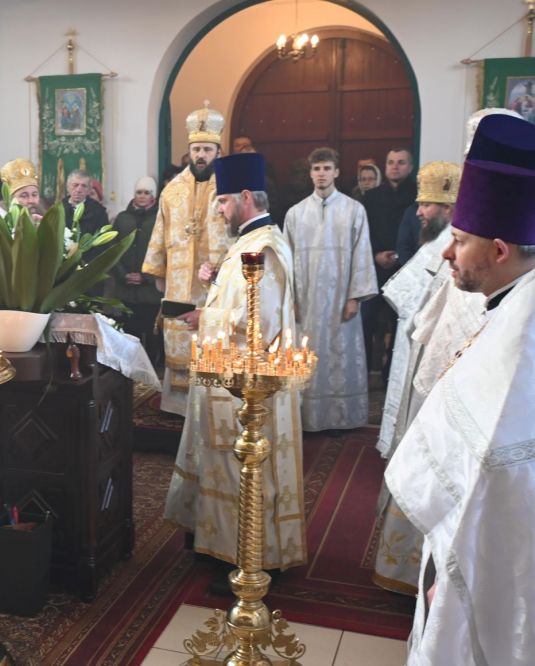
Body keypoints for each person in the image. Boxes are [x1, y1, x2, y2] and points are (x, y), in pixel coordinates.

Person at [385, 113, 535, 665]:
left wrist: (453, 575)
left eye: (459, 240)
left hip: (488, 565)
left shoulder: (523, 335)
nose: (447, 254)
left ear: (498, 251)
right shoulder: (514, 304)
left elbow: (499, 473)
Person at [164, 153, 305, 586]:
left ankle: (247, 562)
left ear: (245, 197)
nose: (220, 211)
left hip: (249, 383)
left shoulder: (264, 248)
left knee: (243, 468)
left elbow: (261, 322)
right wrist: (212, 287)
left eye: (223, 202)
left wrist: (202, 317)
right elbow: (241, 300)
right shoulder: (249, 242)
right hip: (229, 376)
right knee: (223, 464)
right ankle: (220, 545)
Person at [373, 160, 466, 595]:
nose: (420, 212)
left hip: (436, 371)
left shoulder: (452, 248)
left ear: (447, 208)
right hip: (418, 360)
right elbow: (404, 299)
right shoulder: (439, 246)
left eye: (427, 204)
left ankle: (416, 571)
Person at [142, 103, 229, 416]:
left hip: (215, 282)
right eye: (196, 149)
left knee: (212, 338)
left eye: (207, 149)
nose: (201, 155)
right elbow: (160, 229)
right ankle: (178, 407)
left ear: (218, 151)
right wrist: (158, 270)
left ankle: (211, 406)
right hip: (179, 282)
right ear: (189, 152)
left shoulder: (229, 187)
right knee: (179, 335)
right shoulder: (172, 190)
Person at [284, 147, 377, 433]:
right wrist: (291, 299)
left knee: (340, 356)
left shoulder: (354, 210)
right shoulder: (295, 214)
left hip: (340, 299)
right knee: (307, 352)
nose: (321, 174)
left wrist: (354, 296)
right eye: (316, 169)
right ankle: (307, 418)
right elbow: (286, 259)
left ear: (336, 171)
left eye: (326, 168)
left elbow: (362, 253)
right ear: (310, 173)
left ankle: (340, 418)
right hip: (307, 300)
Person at [361, 148, 417, 375]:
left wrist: (399, 256)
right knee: (366, 320)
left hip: (406, 268)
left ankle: (391, 374)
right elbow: (364, 232)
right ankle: (364, 371)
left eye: (401, 162)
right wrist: (376, 254)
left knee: (399, 324)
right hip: (374, 268)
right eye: (391, 162)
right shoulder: (371, 197)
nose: (395, 166)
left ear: (410, 167)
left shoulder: (417, 196)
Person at [111, 176, 161, 362]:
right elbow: (113, 249)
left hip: (149, 292)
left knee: (151, 335)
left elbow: (162, 253)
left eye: (147, 193)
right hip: (125, 291)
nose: (142, 196)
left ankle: (151, 368)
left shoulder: (159, 218)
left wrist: (146, 277)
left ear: (153, 196)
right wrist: (123, 275)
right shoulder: (122, 218)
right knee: (128, 335)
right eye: (139, 192)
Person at [63, 169, 109, 240]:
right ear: (68, 187)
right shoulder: (58, 209)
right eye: (75, 185)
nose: (79, 190)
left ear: (89, 190)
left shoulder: (99, 212)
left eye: (84, 186)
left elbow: (104, 239)